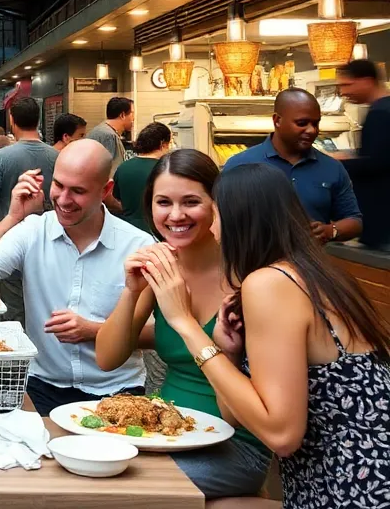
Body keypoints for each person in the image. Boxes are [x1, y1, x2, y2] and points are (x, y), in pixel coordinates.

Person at [142, 163, 390, 508]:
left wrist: (184, 323)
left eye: (216, 215)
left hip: (353, 494)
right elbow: (235, 416)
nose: (212, 229)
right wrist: (226, 354)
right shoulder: (314, 273)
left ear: (239, 220)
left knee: (143, 492)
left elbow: (282, 436)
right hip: (344, 487)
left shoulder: (270, 283)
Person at [96, 150, 270, 499]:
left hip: (238, 447)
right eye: (163, 202)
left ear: (216, 206)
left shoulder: (250, 276)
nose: (175, 215)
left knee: (119, 494)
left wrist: (183, 318)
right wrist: (131, 291)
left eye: (191, 202)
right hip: (163, 434)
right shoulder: (161, 266)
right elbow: (107, 358)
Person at [0, 139, 154, 416]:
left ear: (106, 190)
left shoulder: (138, 245)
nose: (64, 200)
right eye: (59, 186)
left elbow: (158, 333)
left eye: (78, 191)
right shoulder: (34, 230)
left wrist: (93, 330)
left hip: (118, 392)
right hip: (42, 387)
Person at [225, 88, 362, 243]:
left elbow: (354, 221)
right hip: (255, 264)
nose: (311, 130)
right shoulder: (240, 165)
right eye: (301, 123)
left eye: (316, 123)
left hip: (311, 264)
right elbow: (220, 220)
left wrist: (330, 231)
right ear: (277, 120)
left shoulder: (332, 168)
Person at [0, 97, 59, 324]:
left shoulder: (1, 157)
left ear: (11, 120)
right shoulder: (57, 156)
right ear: (38, 119)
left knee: (13, 312)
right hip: (51, 240)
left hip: (9, 239)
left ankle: (17, 356)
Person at [337, 59, 390, 249]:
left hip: (381, 224)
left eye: (347, 85)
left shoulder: (380, 113)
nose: (343, 92)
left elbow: (377, 163)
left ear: (366, 81)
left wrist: (341, 162)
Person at [112, 122, 172, 232]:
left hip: (127, 230)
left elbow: (116, 199)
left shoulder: (124, 167)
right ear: (163, 144)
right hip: (156, 231)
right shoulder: (165, 170)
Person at [88, 97, 134, 213]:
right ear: (123, 115)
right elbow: (109, 174)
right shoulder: (108, 136)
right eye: (132, 113)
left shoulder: (101, 131)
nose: (133, 118)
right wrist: (117, 204)